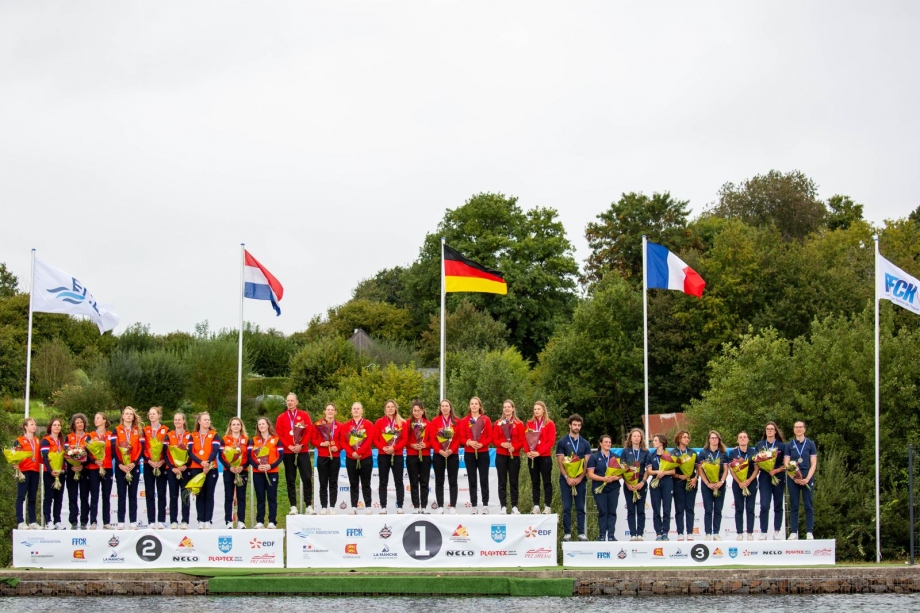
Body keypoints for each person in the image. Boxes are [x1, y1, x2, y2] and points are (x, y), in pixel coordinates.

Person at [275, 393, 314, 515]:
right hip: (288, 451)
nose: (290, 402)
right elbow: (279, 434)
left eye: (292, 400)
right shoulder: (281, 417)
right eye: (288, 401)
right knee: (290, 479)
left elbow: (309, 431)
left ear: (297, 402)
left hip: (302, 450)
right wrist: (289, 446)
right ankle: (293, 506)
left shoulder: (303, 415)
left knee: (307, 477)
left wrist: (301, 445)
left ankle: (308, 505)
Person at [556, 414, 591, 541]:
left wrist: (580, 478)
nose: (576, 427)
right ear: (570, 425)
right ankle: (567, 534)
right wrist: (567, 477)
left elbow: (587, 463)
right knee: (567, 507)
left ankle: (581, 533)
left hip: (580, 479)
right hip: (566, 479)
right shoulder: (562, 442)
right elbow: (560, 461)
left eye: (579, 425)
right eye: (574, 425)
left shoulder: (585, 443)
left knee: (580, 507)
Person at [785, 420, 817, 541]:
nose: (798, 429)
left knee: (808, 505)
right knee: (794, 505)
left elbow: (813, 463)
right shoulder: (789, 445)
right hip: (794, 477)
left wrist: (807, 478)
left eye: (800, 427)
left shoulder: (810, 444)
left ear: (804, 429)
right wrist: (794, 477)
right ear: (794, 429)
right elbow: (786, 463)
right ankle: (794, 532)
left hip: (807, 476)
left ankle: (809, 532)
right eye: (796, 427)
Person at [459, 397, 492, 514]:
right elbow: (461, 437)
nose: (473, 406)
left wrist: (481, 444)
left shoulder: (486, 420)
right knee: (472, 479)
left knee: (484, 479)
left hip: (483, 452)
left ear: (479, 406)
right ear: (469, 406)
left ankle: (485, 505)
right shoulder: (464, 420)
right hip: (469, 453)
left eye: (476, 404)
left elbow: (490, 436)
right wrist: (469, 442)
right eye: (472, 404)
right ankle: (474, 505)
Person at [188, 412, 221, 529]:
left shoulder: (214, 435)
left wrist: (207, 463)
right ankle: (200, 520)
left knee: (209, 495)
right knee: (199, 495)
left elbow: (215, 450)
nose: (207, 421)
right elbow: (190, 452)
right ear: (199, 422)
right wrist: (201, 462)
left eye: (208, 420)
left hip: (211, 467)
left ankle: (208, 520)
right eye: (205, 420)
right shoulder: (193, 435)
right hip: (196, 468)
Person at [113, 406, 144, 529]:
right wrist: (120, 463)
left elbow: (141, 448)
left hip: (133, 466)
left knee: (133, 495)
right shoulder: (117, 430)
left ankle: (133, 521)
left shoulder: (138, 430)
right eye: (126, 414)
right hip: (121, 467)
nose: (129, 416)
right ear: (123, 416)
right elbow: (113, 447)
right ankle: (121, 521)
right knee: (121, 495)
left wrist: (134, 462)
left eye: (131, 414)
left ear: (133, 416)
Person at [374, 400, 407, 514]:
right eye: (388, 407)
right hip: (383, 455)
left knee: (399, 481)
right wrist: (384, 448)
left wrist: (394, 448)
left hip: (397, 455)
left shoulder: (402, 422)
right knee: (383, 481)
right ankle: (383, 506)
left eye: (392, 407)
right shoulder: (379, 422)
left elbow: (404, 439)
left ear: (395, 408)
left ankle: (400, 506)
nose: (390, 409)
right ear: (385, 409)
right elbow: (375, 439)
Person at [492, 399, 525, 515]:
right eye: (504, 407)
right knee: (502, 481)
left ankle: (514, 506)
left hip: (514, 456)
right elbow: (494, 439)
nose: (506, 409)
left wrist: (514, 447)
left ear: (513, 408)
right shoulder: (498, 423)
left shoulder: (519, 424)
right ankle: (503, 506)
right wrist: (502, 444)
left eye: (509, 407)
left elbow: (522, 440)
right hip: (501, 455)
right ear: (503, 409)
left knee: (513, 481)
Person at [342, 402, 375, 515]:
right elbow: (343, 441)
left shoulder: (368, 424)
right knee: (353, 483)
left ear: (362, 411)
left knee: (366, 483)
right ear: (351, 411)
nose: (356, 411)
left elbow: (370, 440)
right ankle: (353, 507)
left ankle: (368, 506)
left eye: (358, 409)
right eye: (354, 409)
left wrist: (359, 452)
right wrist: (352, 453)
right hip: (351, 457)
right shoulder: (346, 425)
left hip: (365, 457)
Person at [251, 417, 283, 528]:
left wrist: (270, 465)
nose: (261, 426)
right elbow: (250, 457)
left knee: (271, 496)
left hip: (272, 472)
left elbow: (281, 456)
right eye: (259, 424)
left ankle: (272, 521)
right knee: (260, 497)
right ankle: (260, 521)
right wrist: (257, 466)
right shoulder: (254, 440)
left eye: (263, 424)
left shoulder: (276, 439)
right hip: (258, 472)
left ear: (268, 425)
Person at [429, 399, 460, 514]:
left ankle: (453, 506)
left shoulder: (457, 421)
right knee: (439, 481)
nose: (445, 408)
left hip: (453, 453)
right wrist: (439, 450)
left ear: (450, 407)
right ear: (440, 408)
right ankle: (440, 506)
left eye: (447, 406)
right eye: (443, 406)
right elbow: (432, 438)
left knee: (453, 481)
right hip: (439, 454)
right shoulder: (435, 421)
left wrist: (452, 449)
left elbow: (459, 438)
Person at [756, 421, 786, 540]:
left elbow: (786, 464)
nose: (769, 431)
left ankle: (777, 531)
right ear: (765, 431)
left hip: (778, 476)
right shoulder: (760, 444)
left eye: (772, 429)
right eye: (767, 429)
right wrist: (767, 469)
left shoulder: (782, 445)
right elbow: (756, 460)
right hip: (764, 476)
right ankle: (763, 531)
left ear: (775, 431)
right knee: (764, 505)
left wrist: (776, 471)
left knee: (778, 504)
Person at [587, 433, 620, 541]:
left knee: (612, 511)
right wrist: (603, 479)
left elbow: (621, 474)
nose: (608, 444)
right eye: (605, 442)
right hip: (599, 487)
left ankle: (611, 535)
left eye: (609, 442)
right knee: (603, 511)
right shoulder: (594, 457)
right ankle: (602, 535)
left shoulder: (616, 457)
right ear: (600, 443)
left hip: (613, 487)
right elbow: (590, 474)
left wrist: (613, 478)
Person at [525, 401, 556, 515]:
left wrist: (539, 452)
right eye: (535, 409)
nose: (536, 411)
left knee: (546, 482)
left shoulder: (549, 424)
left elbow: (550, 441)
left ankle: (547, 506)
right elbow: (525, 439)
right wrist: (527, 452)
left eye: (538, 409)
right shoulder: (529, 423)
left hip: (544, 456)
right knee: (535, 482)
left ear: (543, 410)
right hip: (532, 457)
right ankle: (536, 506)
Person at [698, 430, 729, 541]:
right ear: (709, 440)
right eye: (712, 438)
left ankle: (716, 532)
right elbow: (700, 470)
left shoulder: (723, 453)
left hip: (720, 484)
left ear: (719, 440)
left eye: (716, 438)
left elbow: (726, 469)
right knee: (708, 509)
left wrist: (721, 481)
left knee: (718, 509)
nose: (714, 439)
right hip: (707, 485)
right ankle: (708, 533)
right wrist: (707, 483)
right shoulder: (703, 453)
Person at [313, 403, 343, 515]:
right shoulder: (318, 424)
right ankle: (324, 506)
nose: (330, 412)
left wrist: (338, 447)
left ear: (335, 412)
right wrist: (322, 443)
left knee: (333, 482)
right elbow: (313, 440)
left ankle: (332, 506)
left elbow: (343, 441)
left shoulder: (339, 425)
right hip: (322, 456)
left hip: (335, 457)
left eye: (332, 410)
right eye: (328, 410)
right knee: (323, 482)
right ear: (324, 411)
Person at [86, 412, 115, 530]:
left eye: (98, 418)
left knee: (106, 496)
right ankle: (93, 521)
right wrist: (94, 462)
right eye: (95, 418)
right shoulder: (90, 435)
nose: (96, 420)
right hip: (93, 468)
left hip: (107, 468)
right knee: (94, 496)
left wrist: (105, 460)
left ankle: (106, 522)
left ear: (104, 420)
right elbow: (86, 453)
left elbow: (114, 452)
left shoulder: (111, 434)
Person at [220, 416, 249, 528]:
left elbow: (249, 456)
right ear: (230, 427)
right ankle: (228, 521)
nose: (236, 426)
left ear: (241, 426)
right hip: (229, 471)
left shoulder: (246, 440)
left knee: (241, 496)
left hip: (242, 470)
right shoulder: (225, 439)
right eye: (234, 424)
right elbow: (221, 456)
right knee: (229, 496)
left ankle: (241, 521)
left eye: (238, 424)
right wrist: (229, 467)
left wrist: (242, 467)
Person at [143, 407, 170, 529]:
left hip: (162, 464)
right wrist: (149, 461)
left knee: (161, 493)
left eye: (154, 414)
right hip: (149, 465)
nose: (151, 416)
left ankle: (161, 520)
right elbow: (141, 448)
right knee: (149, 493)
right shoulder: (144, 430)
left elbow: (168, 449)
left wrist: (162, 461)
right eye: (150, 414)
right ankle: (151, 521)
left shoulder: (166, 430)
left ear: (159, 415)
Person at [730, 430, 759, 541]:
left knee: (750, 508)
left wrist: (749, 480)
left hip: (751, 482)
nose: (742, 439)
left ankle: (750, 533)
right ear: (737, 440)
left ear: (748, 439)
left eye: (744, 437)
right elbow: (731, 470)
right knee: (739, 508)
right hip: (738, 484)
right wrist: (740, 482)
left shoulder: (753, 452)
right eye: (740, 437)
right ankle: (740, 533)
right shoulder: (733, 453)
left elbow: (757, 468)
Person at [620, 427, 649, 541]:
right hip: (629, 483)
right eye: (634, 436)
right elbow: (622, 468)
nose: (636, 438)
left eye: (638, 436)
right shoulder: (625, 451)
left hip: (641, 483)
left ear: (641, 438)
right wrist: (627, 483)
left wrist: (643, 482)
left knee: (641, 510)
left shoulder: (645, 452)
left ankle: (640, 534)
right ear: (630, 438)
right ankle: (632, 534)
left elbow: (648, 469)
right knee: (631, 510)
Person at [165, 412, 193, 529]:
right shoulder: (169, 435)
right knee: (173, 496)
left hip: (185, 470)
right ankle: (173, 521)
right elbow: (165, 454)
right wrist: (173, 468)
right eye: (175, 420)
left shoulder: (189, 435)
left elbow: (191, 453)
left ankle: (185, 520)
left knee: (185, 495)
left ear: (184, 421)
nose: (177, 422)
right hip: (172, 470)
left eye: (179, 420)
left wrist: (185, 466)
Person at [647, 433, 675, 541]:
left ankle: (665, 532)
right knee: (656, 508)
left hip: (667, 481)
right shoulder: (651, 455)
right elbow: (649, 471)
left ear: (661, 442)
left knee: (667, 508)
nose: (653, 442)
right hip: (655, 481)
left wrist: (664, 473)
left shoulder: (669, 455)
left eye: (655, 440)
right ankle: (658, 532)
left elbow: (673, 470)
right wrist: (657, 472)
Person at [40, 417, 67, 529]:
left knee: (59, 497)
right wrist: (51, 471)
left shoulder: (62, 441)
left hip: (60, 472)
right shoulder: (46, 440)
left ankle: (57, 520)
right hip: (49, 473)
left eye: (59, 425)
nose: (57, 427)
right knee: (49, 496)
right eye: (54, 425)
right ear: (50, 427)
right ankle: (48, 521)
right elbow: (45, 457)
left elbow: (65, 456)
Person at [64, 413, 90, 529]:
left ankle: (84, 521)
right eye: (77, 422)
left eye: (81, 422)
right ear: (73, 425)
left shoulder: (89, 436)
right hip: (71, 470)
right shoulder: (68, 437)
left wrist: (82, 465)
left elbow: (91, 454)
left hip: (84, 470)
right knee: (72, 496)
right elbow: (65, 454)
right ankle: (73, 521)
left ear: (84, 424)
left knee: (84, 496)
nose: (79, 424)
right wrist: (72, 466)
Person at [405, 401, 432, 513]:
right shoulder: (407, 423)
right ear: (412, 411)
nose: (417, 412)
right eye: (415, 410)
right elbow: (403, 440)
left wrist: (426, 445)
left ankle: (424, 506)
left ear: (423, 411)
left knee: (424, 482)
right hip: (412, 455)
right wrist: (412, 445)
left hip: (425, 455)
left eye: (419, 410)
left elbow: (433, 440)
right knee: (414, 482)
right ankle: (416, 506)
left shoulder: (429, 424)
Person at [15, 417, 41, 529]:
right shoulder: (19, 440)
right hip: (24, 470)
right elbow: (15, 455)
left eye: (35, 424)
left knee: (32, 497)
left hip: (35, 470)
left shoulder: (37, 440)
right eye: (31, 424)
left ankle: (32, 522)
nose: (34, 426)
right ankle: (20, 521)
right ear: (25, 426)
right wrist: (15, 464)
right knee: (21, 496)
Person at [671, 429, 698, 541]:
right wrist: (679, 476)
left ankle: (690, 532)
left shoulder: (693, 452)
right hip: (678, 482)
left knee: (690, 508)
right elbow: (671, 471)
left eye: (688, 437)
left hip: (691, 482)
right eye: (684, 437)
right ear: (679, 439)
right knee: (679, 508)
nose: (687, 439)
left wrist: (695, 478)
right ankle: (680, 533)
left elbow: (698, 468)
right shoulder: (673, 453)